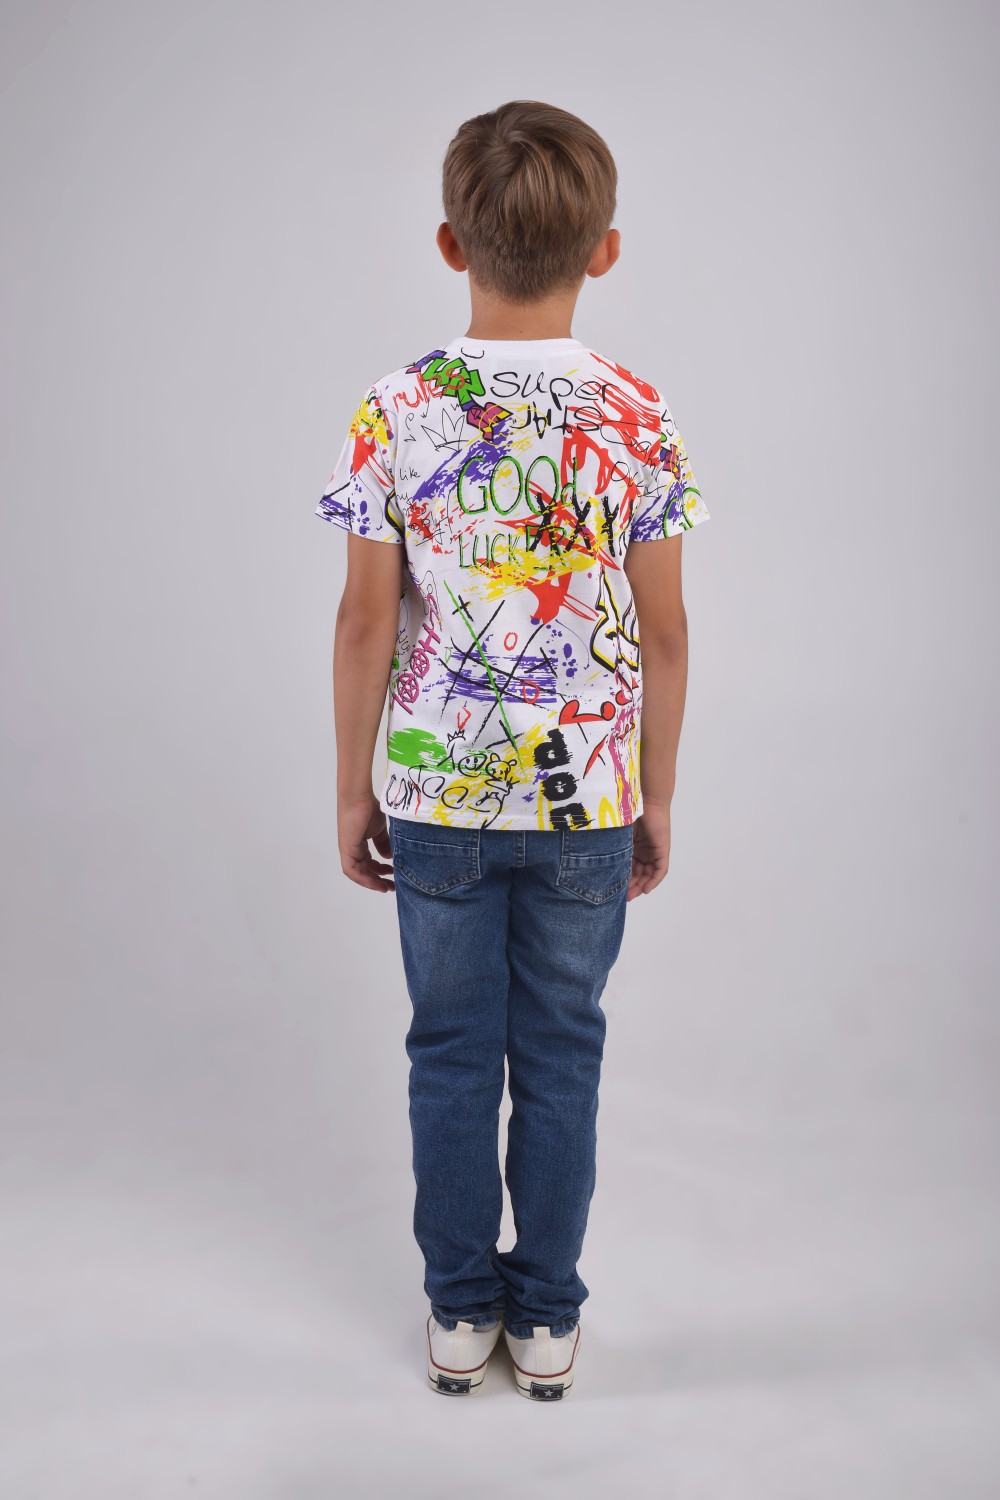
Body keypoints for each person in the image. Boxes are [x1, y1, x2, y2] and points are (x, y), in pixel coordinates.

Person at [314, 100, 711, 1400]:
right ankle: (544, 1321)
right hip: (589, 794)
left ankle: (456, 1310)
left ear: (450, 243)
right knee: (560, 1051)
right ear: (605, 251)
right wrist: (656, 792)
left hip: (436, 792)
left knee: (448, 1049)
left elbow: (365, 619)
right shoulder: (639, 413)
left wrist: (353, 787)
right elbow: (665, 632)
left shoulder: (397, 407)